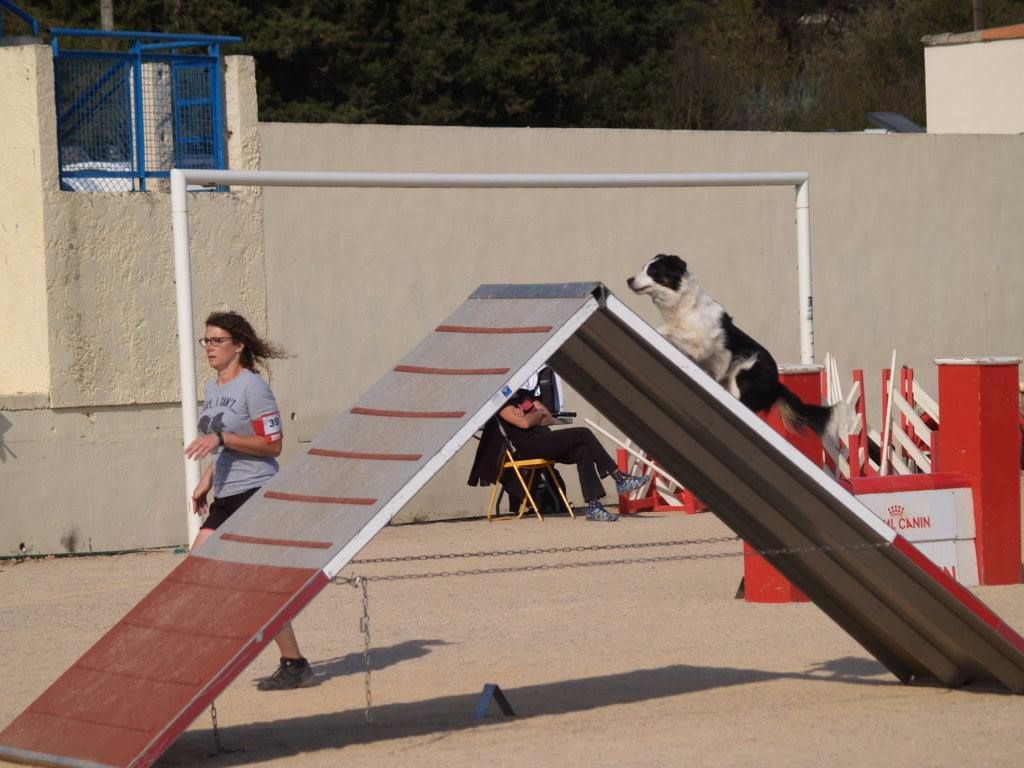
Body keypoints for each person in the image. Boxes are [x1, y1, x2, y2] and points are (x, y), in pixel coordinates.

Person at [184, 310, 313, 691]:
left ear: (239, 346)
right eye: (206, 340)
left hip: (256, 494)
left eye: (217, 340)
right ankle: (292, 661)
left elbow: (272, 446)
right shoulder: (214, 389)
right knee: (198, 572)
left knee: (238, 582)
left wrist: (222, 441)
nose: (209, 348)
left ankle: (288, 662)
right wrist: (207, 479)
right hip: (226, 495)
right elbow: (218, 442)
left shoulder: (253, 389)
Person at [495, 389, 650, 522]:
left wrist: (536, 414)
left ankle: (594, 506)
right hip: (531, 447)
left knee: (583, 450)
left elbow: (549, 419)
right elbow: (524, 424)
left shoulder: (525, 395)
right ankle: (619, 477)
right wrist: (537, 414)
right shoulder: (502, 402)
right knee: (583, 433)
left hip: (547, 442)